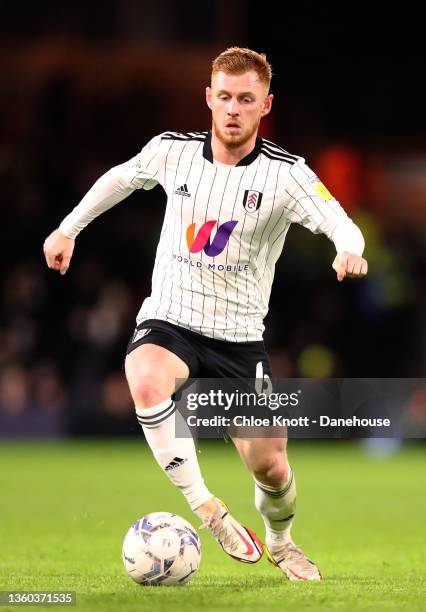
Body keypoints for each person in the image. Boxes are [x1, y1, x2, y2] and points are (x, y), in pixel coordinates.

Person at [43, 47, 368, 581]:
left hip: (239, 342)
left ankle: (282, 543)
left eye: (246, 99)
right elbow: (120, 179)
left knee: (271, 465)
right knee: (146, 379)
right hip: (171, 320)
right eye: (224, 97)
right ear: (208, 99)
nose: (233, 109)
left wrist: (347, 248)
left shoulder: (287, 176)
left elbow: (339, 221)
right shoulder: (172, 152)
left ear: (266, 105)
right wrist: (67, 229)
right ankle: (208, 510)